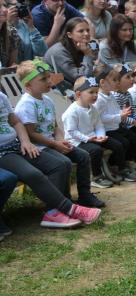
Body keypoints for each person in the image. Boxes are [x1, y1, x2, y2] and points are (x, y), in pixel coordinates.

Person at [0, 87, 100, 229]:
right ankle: (70, 209)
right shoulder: (27, 103)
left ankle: (54, 212)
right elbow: (31, 130)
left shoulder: (1, 97)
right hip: (3, 153)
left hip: (17, 145)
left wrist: (25, 141)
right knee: (33, 173)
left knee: (59, 165)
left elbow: (16, 122)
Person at [15, 60, 103, 209]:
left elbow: (54, 126)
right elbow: (30, 134)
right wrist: (55, 144)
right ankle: (61, 202)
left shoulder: (47, 100)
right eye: (43, 79)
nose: (49, 81)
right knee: (63, 163)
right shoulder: (26, 104)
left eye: (49, 77)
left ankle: (84, 195)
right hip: (37, 148)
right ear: (28, 85)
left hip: (51, 143)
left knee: (83, 156)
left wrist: (61, 140)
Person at [62, 76, 124, 189]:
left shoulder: (92, 108)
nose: (95, 95)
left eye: (96, 92)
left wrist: (100, 136)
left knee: (117, 144)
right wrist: (88, 139)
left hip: (93, 137)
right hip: (77, 141)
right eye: (91, 92)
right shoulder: (72, 111)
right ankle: (96, 177)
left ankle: (116, 168)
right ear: (79, 94)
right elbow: (72, 131)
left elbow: (99, 124)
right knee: (96, 150)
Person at [92, 64, 136, 183]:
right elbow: (100, 118)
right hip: (105, 130)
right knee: (120, 144)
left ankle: (123, 163)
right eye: (114, 80)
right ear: (102, 82)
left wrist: (121, 113)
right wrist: (119, 115)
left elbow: (114, 110)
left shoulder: (111, 95)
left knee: (132, 137)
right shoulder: (99, 99)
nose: (117, 82)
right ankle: (121, 168)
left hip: (115, 127)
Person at [44, 17, 96, 88]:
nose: (86, 34)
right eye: (81, 31)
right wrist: (87, 55)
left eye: (88, 30)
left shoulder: (85, 46)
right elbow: (81, 78)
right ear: (69, 35)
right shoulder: (59, 52)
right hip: (56, 90)